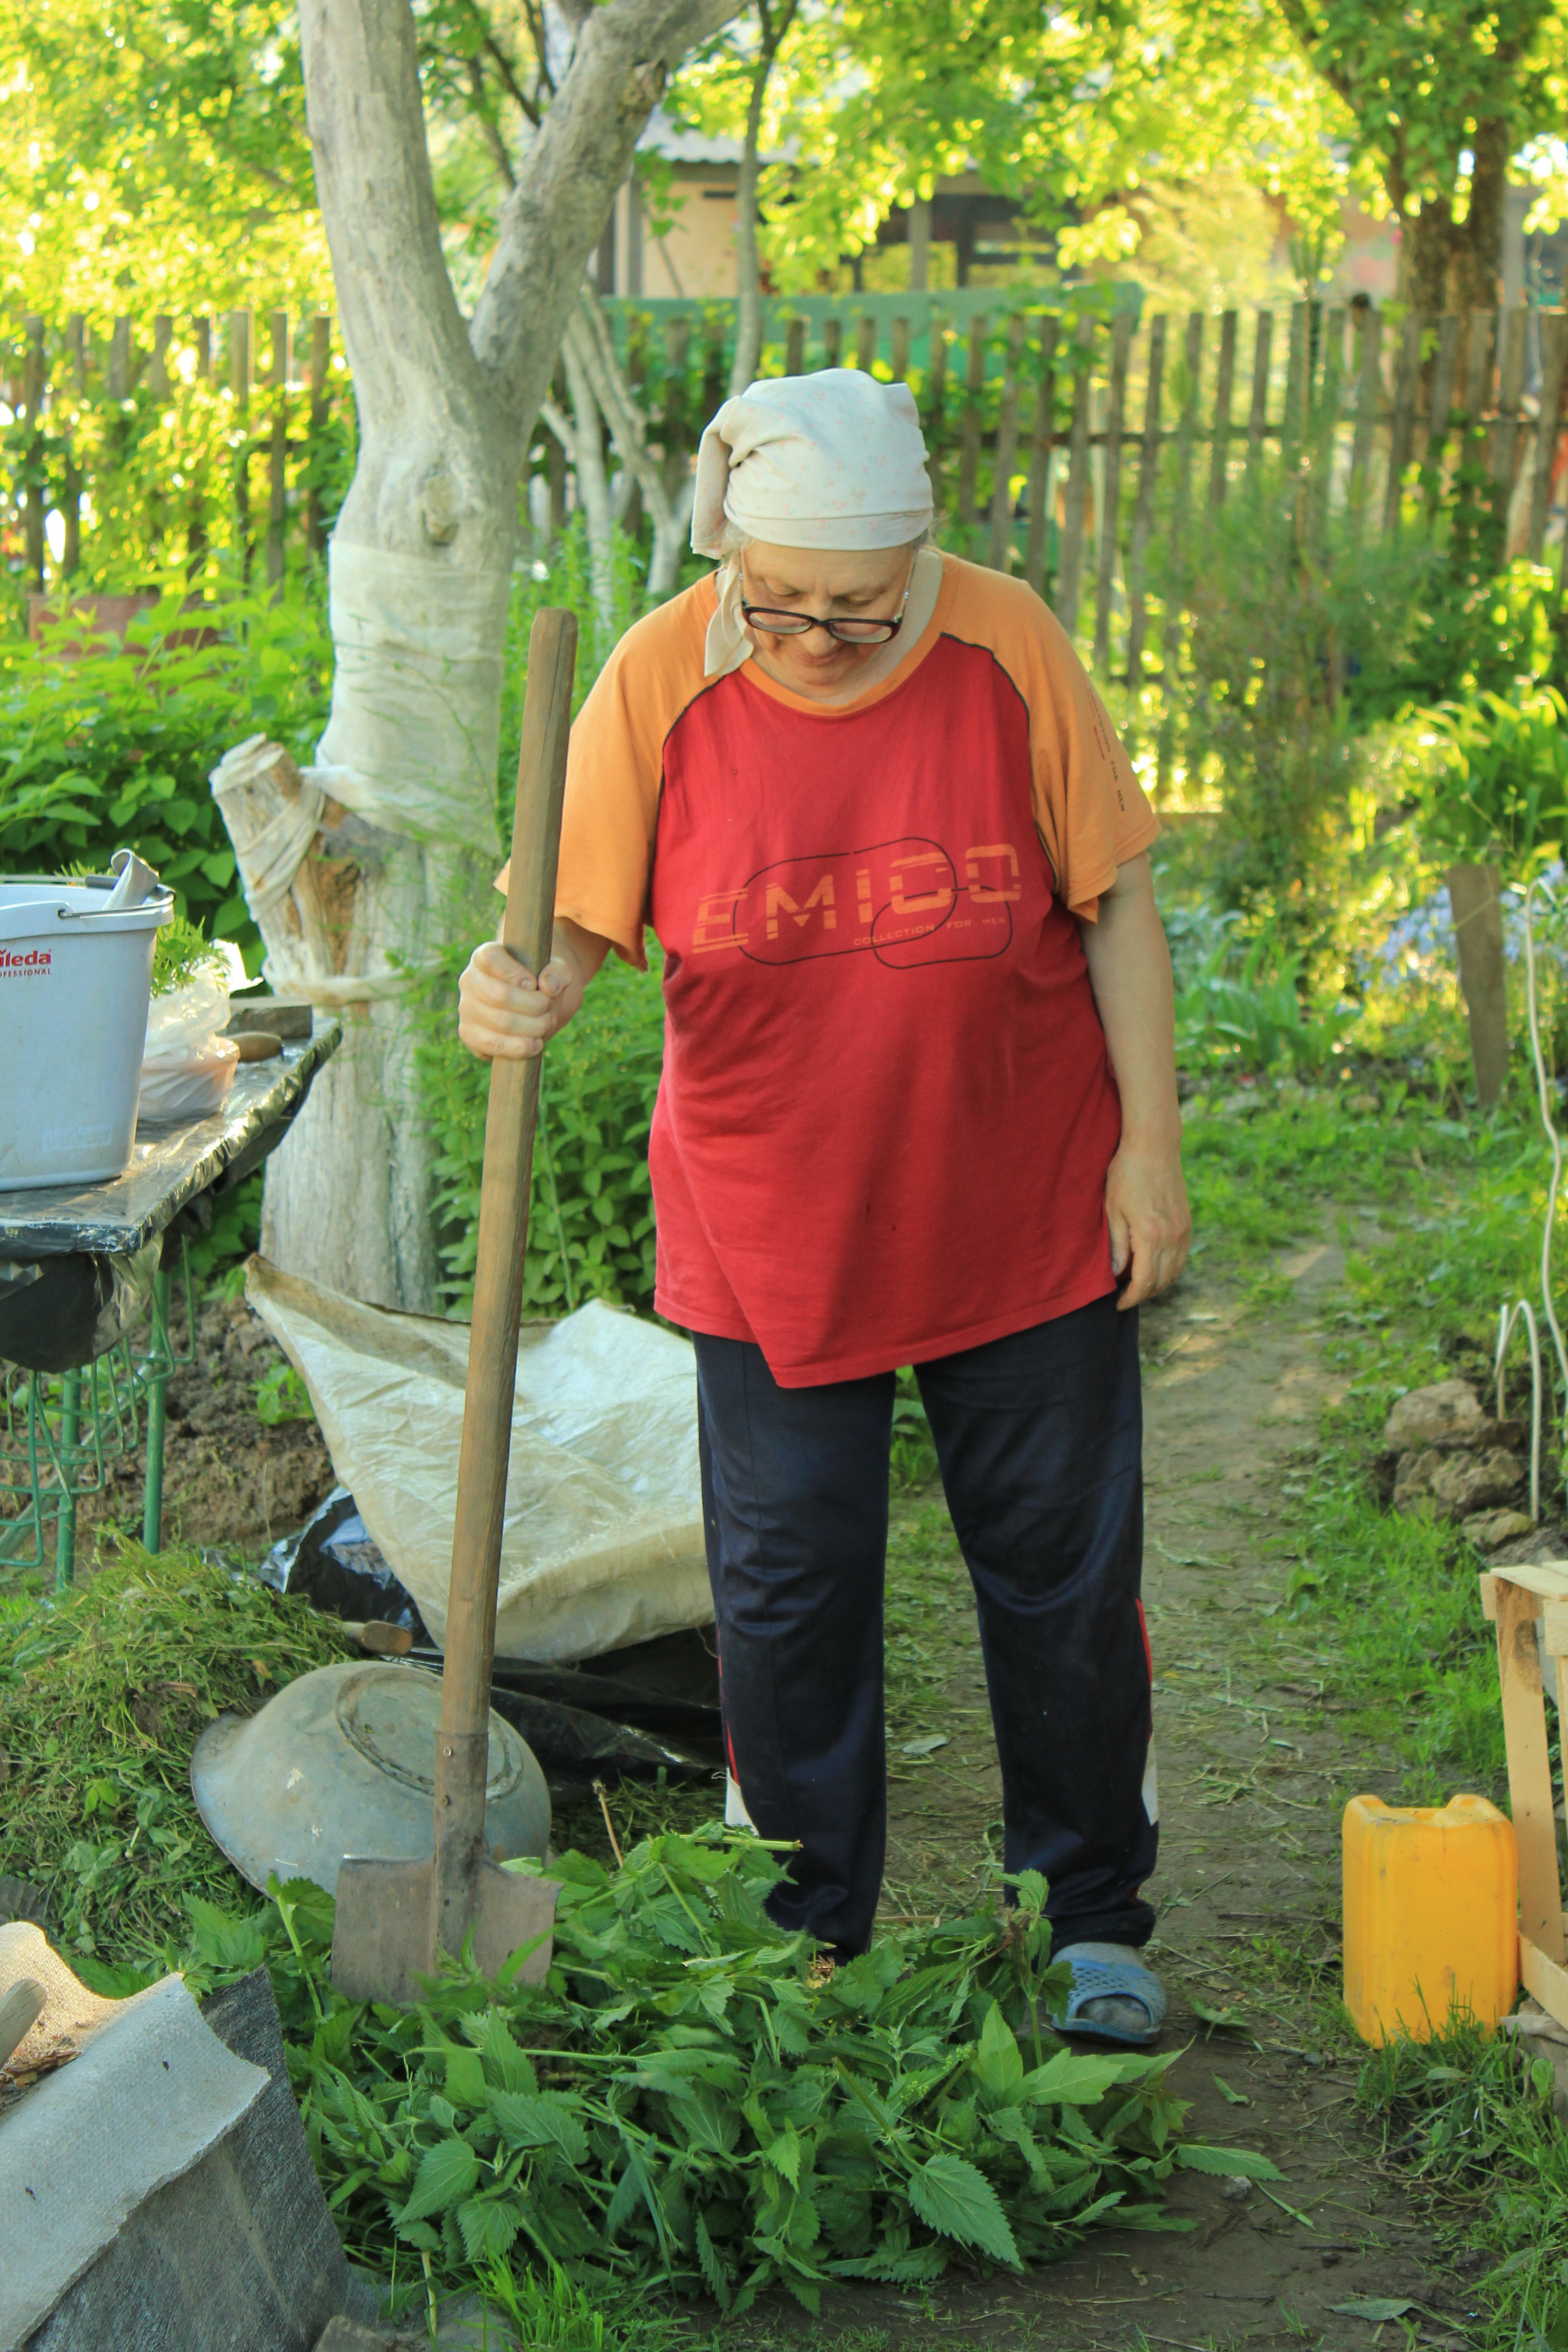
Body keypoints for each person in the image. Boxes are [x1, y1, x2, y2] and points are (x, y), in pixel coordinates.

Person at [459, 368, 1190, 2044]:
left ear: (924, 551)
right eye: (778, 602)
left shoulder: (1010, 646)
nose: (816, 638)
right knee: (789, 1596)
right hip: (768, 1223)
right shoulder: (657, 677)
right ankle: (803, 1941)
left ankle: (1090, 1920)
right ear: (730, 552)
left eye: (860, 611)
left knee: (1065, 1586)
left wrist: (1150, 1147)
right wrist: (522, 992)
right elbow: (565, 931)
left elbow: (1116, 898)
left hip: (1018, 1209)